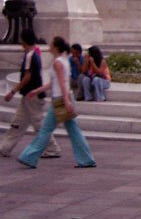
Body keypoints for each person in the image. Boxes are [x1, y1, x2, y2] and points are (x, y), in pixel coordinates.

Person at [18, 36, 96, 168]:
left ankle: (29, 156)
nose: (49, 45)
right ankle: (86, 159)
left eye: (51, 44)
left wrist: (66, 101)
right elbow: (56, 82)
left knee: (46, 130)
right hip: (63, 98)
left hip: (60, 99)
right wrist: (38, 90)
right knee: (73, 130)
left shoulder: (58, 62)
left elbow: (61, 83)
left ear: (56, 47)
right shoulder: (64, 60)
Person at [0, 29, 61, 159]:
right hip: (30, 95)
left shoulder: (30, 55)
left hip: (31, 95)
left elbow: (27, 76)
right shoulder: (36, 53)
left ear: (24, 40)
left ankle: (52, 148)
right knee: (18, 121)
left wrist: (13, 91)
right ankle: (5, 147)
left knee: (38, 123)